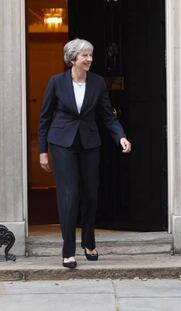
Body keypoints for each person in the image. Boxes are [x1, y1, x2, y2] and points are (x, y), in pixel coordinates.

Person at [38, 38, 132, 269]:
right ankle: (68, 250)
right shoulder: (56, 82)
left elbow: (108, 116)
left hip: (90, 144)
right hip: (62, 143)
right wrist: (42, 151)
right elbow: (44, 118)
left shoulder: (98, 83)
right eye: (84, 55)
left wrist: (120, 136)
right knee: (69, 196)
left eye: (90, 55)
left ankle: (89, 242)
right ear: (73, 59)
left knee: (90, 195)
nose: (89, 59)